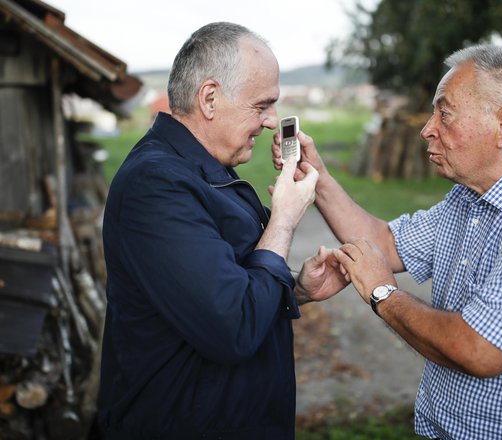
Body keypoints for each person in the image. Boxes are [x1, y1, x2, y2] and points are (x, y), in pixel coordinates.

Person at [277, 44, 502, 439]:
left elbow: (480, 350)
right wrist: (318, 175)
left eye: (445, 112)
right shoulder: (470, 196)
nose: (427, 128)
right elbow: (383, 243)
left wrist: (383, 293)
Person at [98, 22, 345, 439]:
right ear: (209, 98)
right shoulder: (155, 184)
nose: (270, 122)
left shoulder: (205, 169)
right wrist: (283, 218)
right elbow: (233, 325)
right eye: (261, 105)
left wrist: (295, 288)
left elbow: (227, 281)